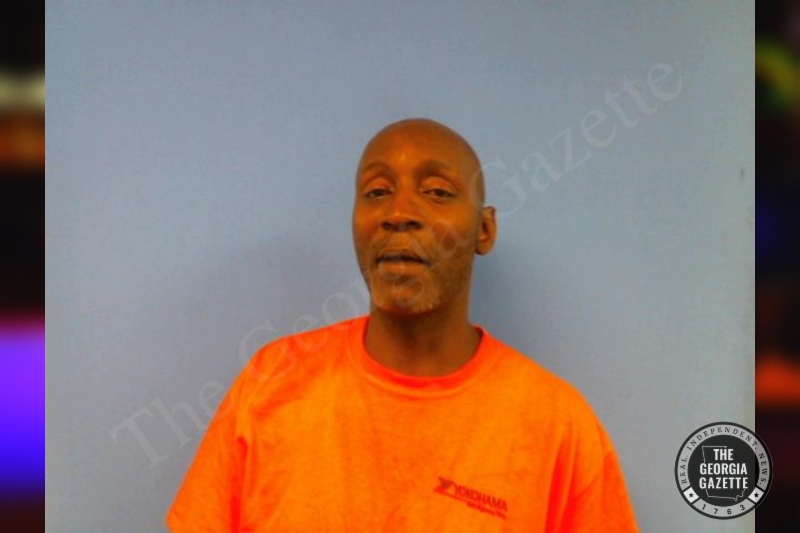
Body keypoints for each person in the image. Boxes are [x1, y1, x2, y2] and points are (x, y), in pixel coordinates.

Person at [166, 118, 639, 531]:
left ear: (484, 229)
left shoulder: (558, 428)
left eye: (437, 192)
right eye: (377, 192)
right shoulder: (272, 382)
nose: (399, 214)